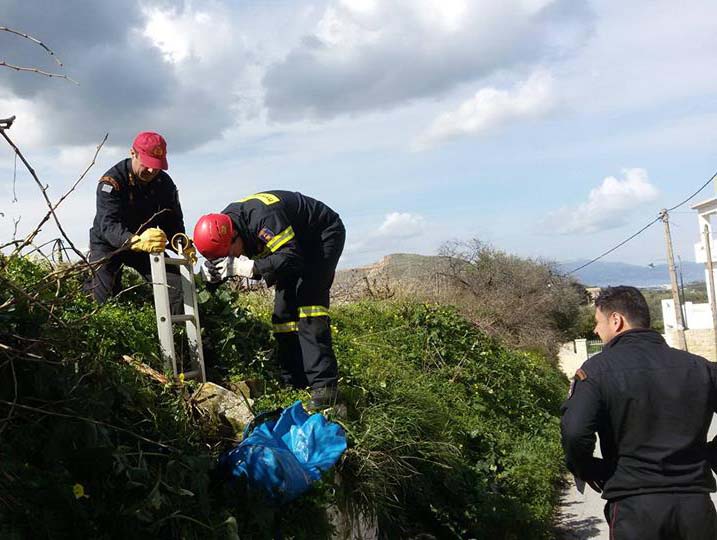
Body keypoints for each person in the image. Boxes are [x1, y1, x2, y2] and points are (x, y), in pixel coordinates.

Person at [561, 285, 717, 539]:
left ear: (616, 320)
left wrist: (591, 470)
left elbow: (575, 432)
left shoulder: (596, 371)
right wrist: (710, 454)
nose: (595, 330)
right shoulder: (698, 366)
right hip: (695, 506)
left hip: (635, 508)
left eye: (597, 322)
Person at [193, 191, 345, 408]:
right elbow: (279, 256)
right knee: (283, 315)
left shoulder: (263, 219)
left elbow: (291, 256)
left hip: (320, 237)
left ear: (235, 235)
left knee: (308, 307)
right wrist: (211, 278)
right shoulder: (224, 226)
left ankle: (326, 389)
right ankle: (294, 381)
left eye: (230, 254)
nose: (233, 259)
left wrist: (252, 267)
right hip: (292, 249)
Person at [84, 131, 195, 314]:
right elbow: (108, 226)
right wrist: (135, 241)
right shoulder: (111, 182)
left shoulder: (164, 184)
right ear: (133, 153)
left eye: (157, 166)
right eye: (148, 164)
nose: (152, 171)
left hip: (147, 246)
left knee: (177, 285)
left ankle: (181, 338)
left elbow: (173, 221)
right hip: (109, 245)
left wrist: (181, 244)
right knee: (101, 298)